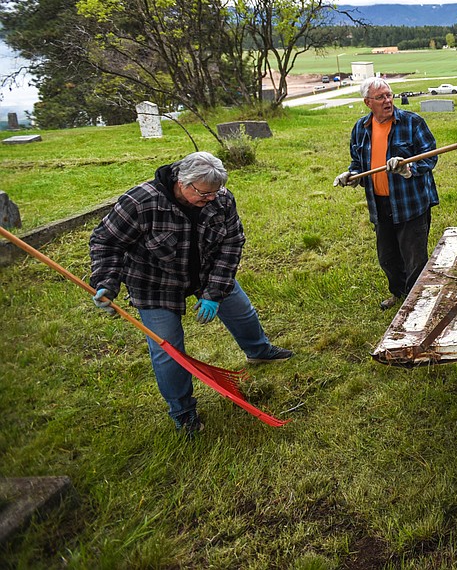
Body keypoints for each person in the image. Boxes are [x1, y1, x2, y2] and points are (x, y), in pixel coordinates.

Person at [90, 151, 293, 436]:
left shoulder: (220, 199)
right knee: (168, 351)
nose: (211, 199)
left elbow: (232, 243)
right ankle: (183, 411)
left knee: (242, 311)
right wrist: (106, 283)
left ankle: (259, 351)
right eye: (204, 193)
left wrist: (214, 291)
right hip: (155, 284)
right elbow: (105, 241)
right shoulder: (140, 202)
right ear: (182, 183)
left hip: (206, 272)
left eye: (215, 192)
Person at [334, 77, 439, 310]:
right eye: (380, 97)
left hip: (410, 203)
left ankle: (417, 301)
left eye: (389, 95)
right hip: (380, 204)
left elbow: (431, 156)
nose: (387, 100)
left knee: (414, 258)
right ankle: (400, 294)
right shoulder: (361, 129)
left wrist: (408, 168)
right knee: (388, 258)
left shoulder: (412, 122)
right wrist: (351, 175)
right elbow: (358, 163)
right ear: (367, 102)